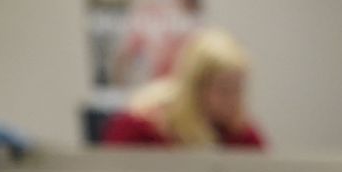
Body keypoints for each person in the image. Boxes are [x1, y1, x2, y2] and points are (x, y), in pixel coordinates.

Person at [103, 26, 265, 148]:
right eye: (224, 89)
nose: (233, 99)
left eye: (239, 89)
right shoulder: (141, 127)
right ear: (195, 86)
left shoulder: (241, 134)